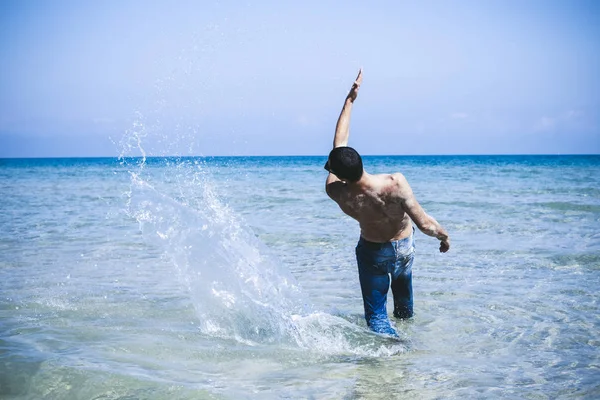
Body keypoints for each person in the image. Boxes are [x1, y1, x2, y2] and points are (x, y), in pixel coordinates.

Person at [324, 69, 450, 337]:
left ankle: (394, 350)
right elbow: (425, 223)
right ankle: (408, 343)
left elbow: (338, 146)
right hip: (404, 247)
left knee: (377, 316)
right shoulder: (396, 183)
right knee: (404, 304)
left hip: (372, 253)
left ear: (340, 176)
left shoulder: (338, 192)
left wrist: (348, 101)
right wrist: (444, 237)